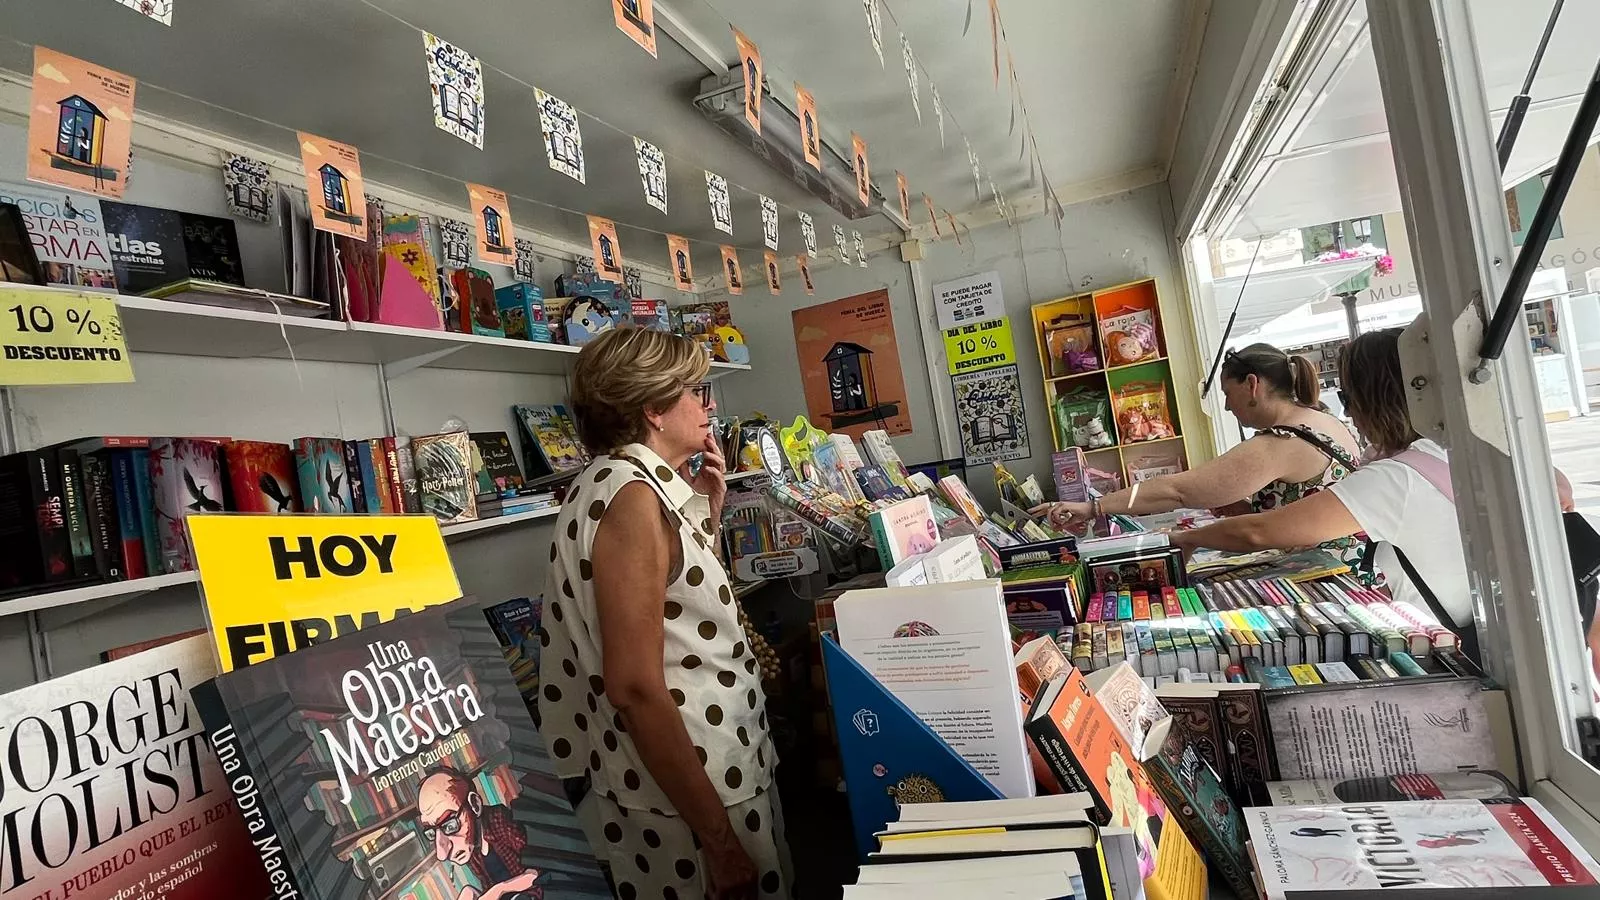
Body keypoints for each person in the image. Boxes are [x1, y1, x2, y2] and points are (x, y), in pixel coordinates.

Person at [539, 327, 790, 900]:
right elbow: (634, 686)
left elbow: (679, 616)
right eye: (694, 391)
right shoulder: (632, 497)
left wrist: (708, 515)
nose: (709, 406)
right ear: (653, 407)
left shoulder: (620, 486)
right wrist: (721, 843)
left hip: (685, 783)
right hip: (695, 792)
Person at [1168, 329, 1496, 657]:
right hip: (1452, 631)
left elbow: (1261, 532)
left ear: (1376, 398)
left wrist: (1189, 538)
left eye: (1348, 399)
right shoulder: (1441, 453)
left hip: (1431, 648)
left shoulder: (1396, 478)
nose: (1349, 414)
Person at [1033, 343, 1360, 536]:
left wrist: (1093, 507)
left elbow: (1177, 490)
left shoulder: (1280, 443)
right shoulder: (1324, 420)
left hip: (1326, 577)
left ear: (1252, 385)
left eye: (1228, 393)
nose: (1227, 405)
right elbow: (1298, 504)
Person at [417, 767, 542, 900]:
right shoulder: (470, 848)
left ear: (475, 805)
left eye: (450, 825)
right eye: (431, 833)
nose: (442, 854)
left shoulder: (499, 819)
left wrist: (499, 889)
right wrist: (472, 893)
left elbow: (539, 870)